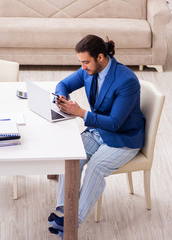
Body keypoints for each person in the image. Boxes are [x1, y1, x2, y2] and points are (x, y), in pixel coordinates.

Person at [47, 34, 145, 237]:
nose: (82, 67)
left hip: (123, 138)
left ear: (101, 57)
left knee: (96, 167)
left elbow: (116, 123)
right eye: (80, 62)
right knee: (70, 155)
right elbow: (63, 84)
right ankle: (65, 210)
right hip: (98, 132)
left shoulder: (126, 80)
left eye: (85, 62)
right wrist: (62, 97)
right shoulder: (88, 70)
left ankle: (72, 223)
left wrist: (80, 112)